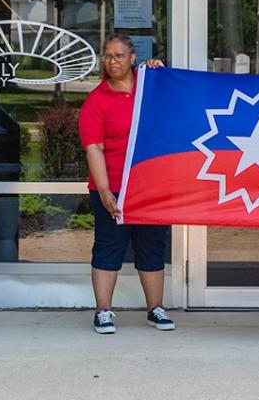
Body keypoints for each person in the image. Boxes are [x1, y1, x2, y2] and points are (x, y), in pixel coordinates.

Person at [78, 34, 173, 334]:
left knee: (152, 246)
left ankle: (155, 308)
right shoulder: (96, 100)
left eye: (119, 55)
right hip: (112, 186)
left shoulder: (151, 87)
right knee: (108, 246)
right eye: (107, 56)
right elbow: (94, 148)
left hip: (150, 186)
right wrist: (105, 191)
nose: (112, 61)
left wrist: (160, 71)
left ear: (133, 58)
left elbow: (180, 103)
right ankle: (103, 311)